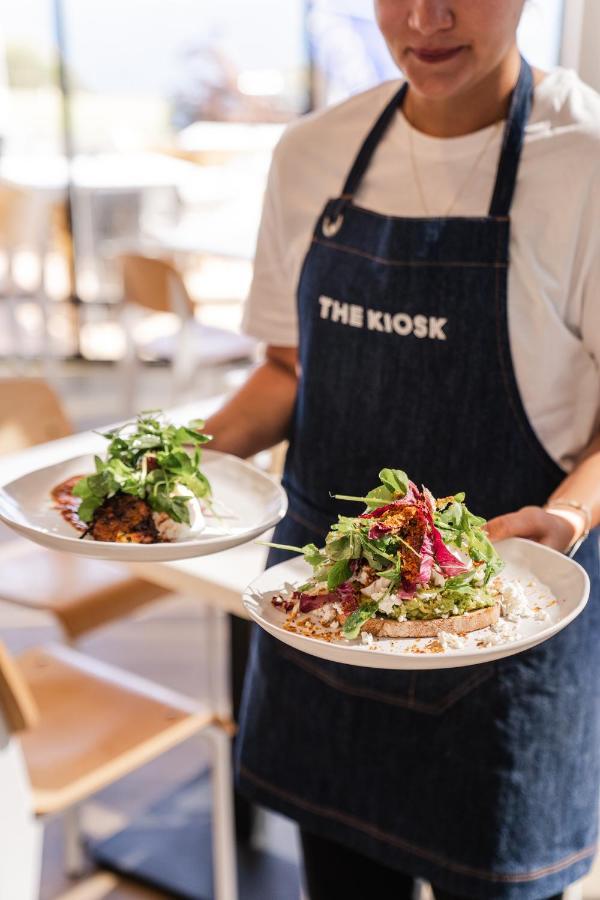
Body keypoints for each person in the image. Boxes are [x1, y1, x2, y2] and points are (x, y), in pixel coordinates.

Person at [205, 1, 600, 897]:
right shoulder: (312, 154)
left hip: (502, 630)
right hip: (323, 619)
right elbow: (286, 369)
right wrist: (177, 461)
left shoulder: (588, 162)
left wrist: (569, 513)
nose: (426, 17)